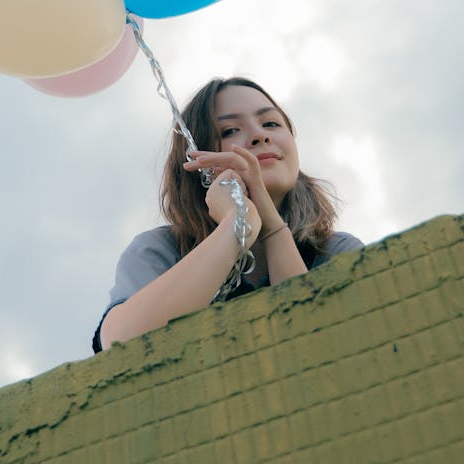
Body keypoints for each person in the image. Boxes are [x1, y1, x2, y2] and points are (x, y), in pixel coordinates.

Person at [93, 76, 363, 352]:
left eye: (270, 123)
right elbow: (120, 343)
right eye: (230, 130)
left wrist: (271, 226)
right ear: (195, 160)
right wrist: (238, 224)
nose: (260, 135)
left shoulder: (336, 251)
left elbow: (317, 349)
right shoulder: (160, 251)